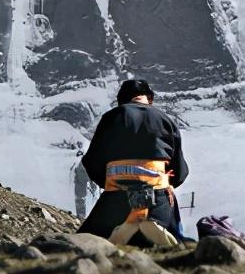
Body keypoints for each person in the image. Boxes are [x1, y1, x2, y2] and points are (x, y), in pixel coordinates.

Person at [77, 78, 189, 246]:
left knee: (86, 241)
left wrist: (108, 185)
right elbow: (179, 171)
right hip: (158, 198)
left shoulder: (112, 117)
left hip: (117, 198)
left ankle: (128, 226)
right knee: (177, 241)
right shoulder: (165, 119)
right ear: (149, 99)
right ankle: (152, 223)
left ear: (121, 100)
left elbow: (92, 160)